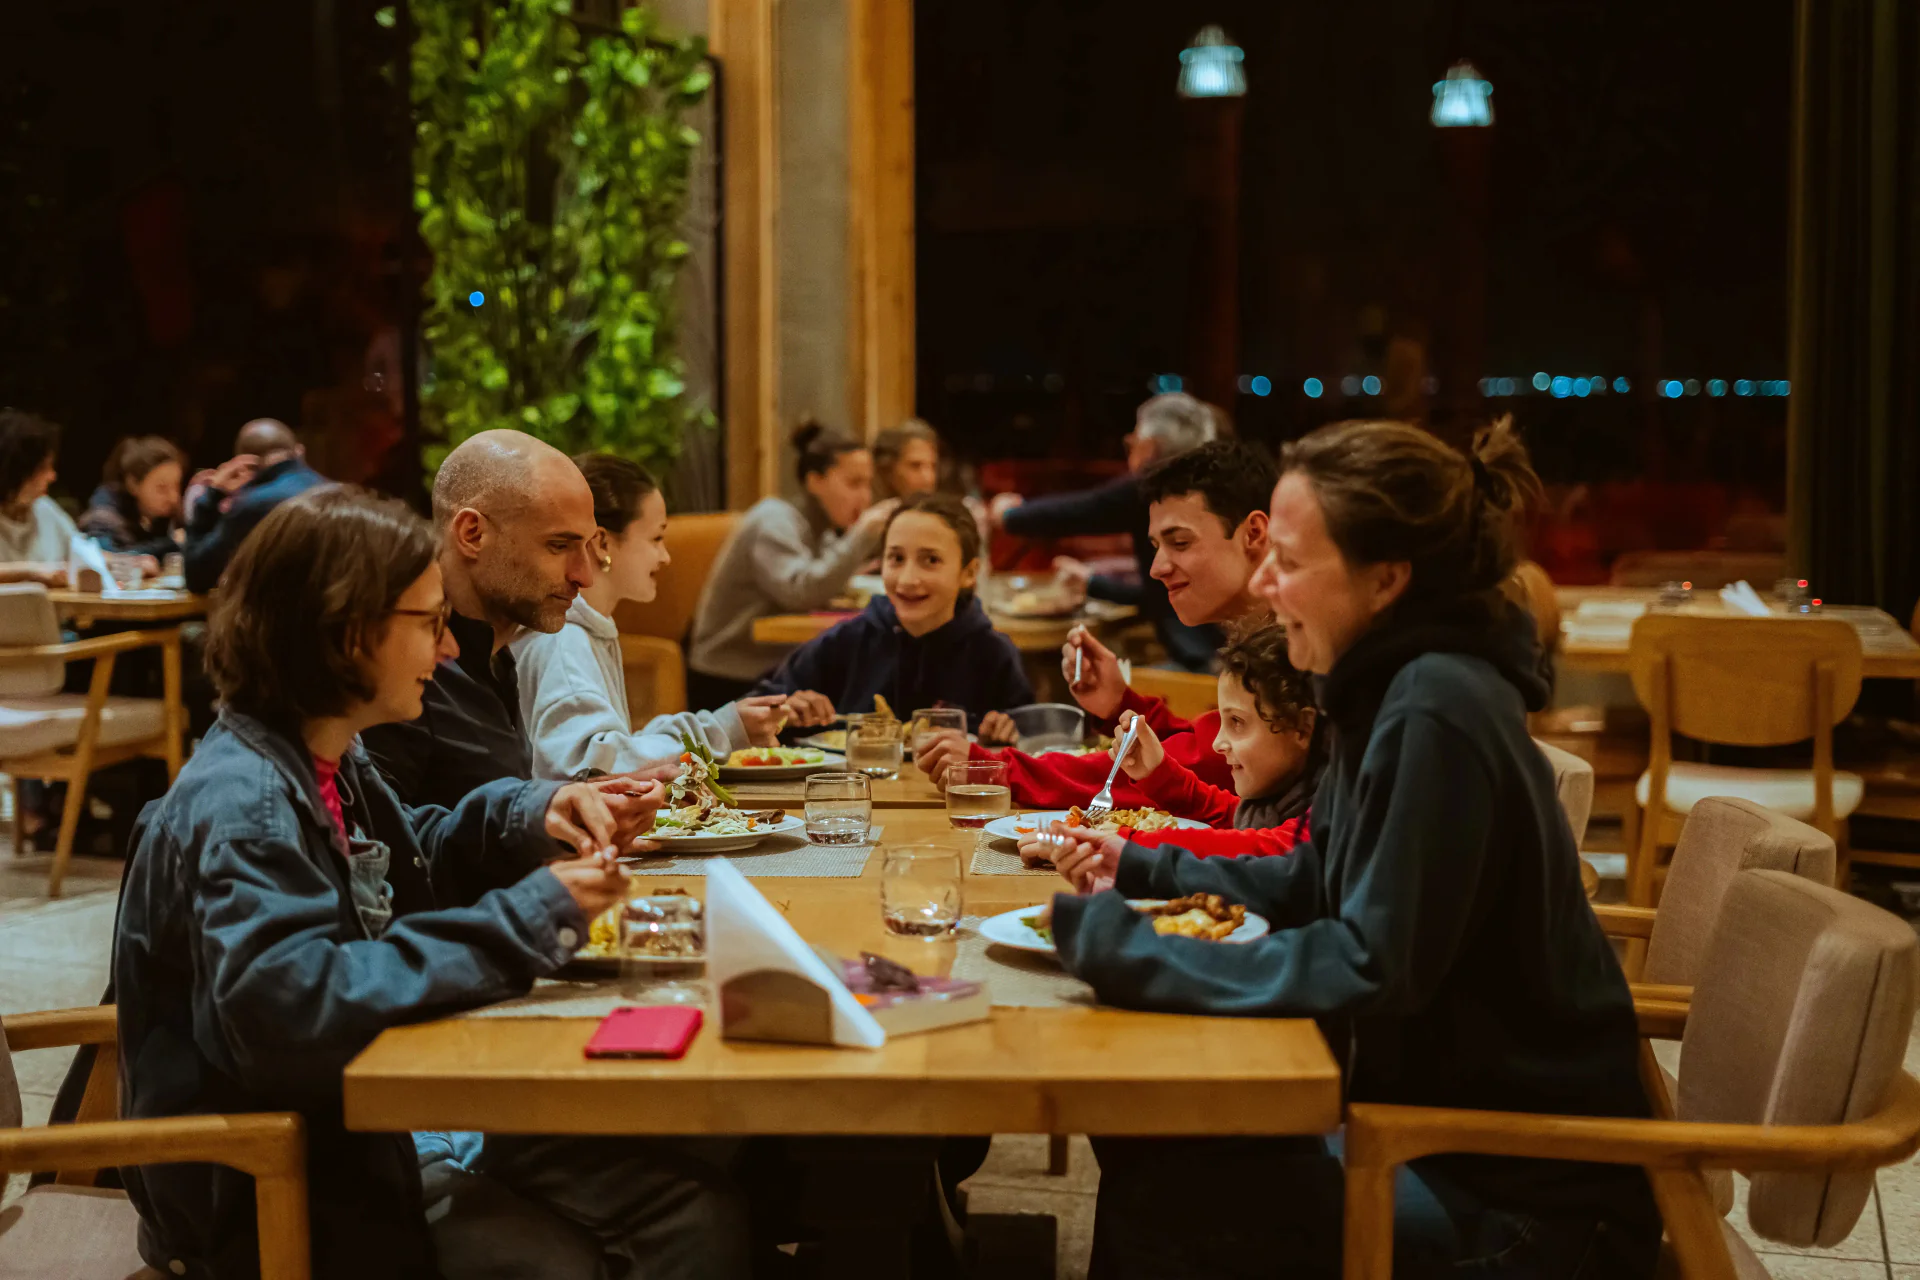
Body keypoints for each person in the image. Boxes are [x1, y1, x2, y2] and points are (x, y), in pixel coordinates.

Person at [1039, 419, 1659, 1280]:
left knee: (1174, 1188)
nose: (1263, 581)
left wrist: (1134, 952)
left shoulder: (1436, 706)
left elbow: (1373, 963)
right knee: (1156, 1143)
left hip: (1521, 1196)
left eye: (1287, 561)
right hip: (1449, 1133)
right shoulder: (1390, 688)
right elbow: (1321, 873)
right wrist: (1144, 867)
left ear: (1387, 581)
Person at [113, 486, 750, 1280]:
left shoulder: (328, 757)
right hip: (274, 1186)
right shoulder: (247, 806)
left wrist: (537, 810)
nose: (449, 652)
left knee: (697, 1212)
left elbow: (415, 848)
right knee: (568, 1259)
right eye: (430, 623)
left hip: (366, 1130)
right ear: (346, 632)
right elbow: (289, 1008)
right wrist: (525, 921)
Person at [919, 439, 1275, 805]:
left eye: (1180, 542)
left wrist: (994, 767)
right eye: (1155, 547)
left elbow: (1186, 765)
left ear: (1254, 534)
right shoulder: (1262, 636)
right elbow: (1206, 748)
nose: (1156, 568)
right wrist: (1122, 705)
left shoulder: (1295, 648)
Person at [361, 429, 608, 811]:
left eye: (588, 547)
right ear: (472, 534)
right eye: (559, 546)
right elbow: (389, 855)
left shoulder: (500, 657)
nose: (584, 576)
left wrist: (562, 811)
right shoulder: (400, 669)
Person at [514, 453, 793, 780]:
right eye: (656, 537)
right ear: (602, 542)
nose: (665, 556)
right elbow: (592, 767)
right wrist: (720, 731)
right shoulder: (564, 639)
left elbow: (611, 748)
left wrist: (725, 726)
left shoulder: (586, 629)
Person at [1020, 620, 1320, 863]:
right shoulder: (1283, 800)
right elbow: (1234, 815)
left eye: (1237, 722)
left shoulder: (1332, 803)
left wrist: (1116, 845)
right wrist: (1159, 774)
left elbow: (1264, 845)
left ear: (1303, 729)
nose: (1218, 743)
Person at [751, 492, 1033, 740]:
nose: (907, 579)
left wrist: (1009, 732)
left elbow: (1036, 737)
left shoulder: (993, 654)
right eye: (896, 559)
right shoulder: (844, 642)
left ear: (969, 573)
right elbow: (750, 712)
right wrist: (788, 712)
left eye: (931, 561)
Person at [989, 392, 1224, 670]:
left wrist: (1009, 515)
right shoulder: (1217, 485)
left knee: (1108, 694)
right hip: (1224, 657)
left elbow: (1078, 512)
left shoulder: (1159, 489)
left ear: (1148, 448)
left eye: (1132, 442)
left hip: (1207, 666)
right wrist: (1092, 584)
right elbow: (1160, 596)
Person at [686, 420, 897, 706]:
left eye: (868, 484)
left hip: (774, 668)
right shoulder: (773, 520)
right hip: (728, 675)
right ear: (814, 481)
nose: (866, 497)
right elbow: (802, 592)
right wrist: (861, 536)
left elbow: (826, 583)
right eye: (854, 483)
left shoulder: (819, 529)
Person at [182, 417, 328, 592]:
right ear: (299, 452)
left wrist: (214, 493)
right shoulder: (334, 491)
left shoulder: (253, 504)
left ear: (243, 463)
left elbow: (198, 577)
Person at [79, 434, 185, 561]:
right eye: (162, 488)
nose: (173, 498)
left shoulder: (157, 516)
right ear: (133, 483)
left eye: (177, 486)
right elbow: (108, 558)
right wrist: (171, 543)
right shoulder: (104, 515)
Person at [0, 408, 75, 584]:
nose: (52, 476)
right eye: (43, 468)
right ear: (17, 472)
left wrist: (128, 564)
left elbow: (82, 554)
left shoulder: (45, 509)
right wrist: (30, 571)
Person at [871, 418, 941, 500]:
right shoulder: (872, 512)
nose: (928, 479)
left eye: (933, 467)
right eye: (915, 466)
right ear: (888, 470)